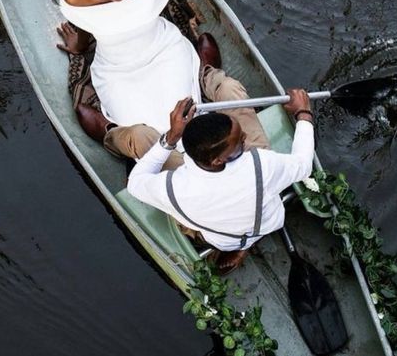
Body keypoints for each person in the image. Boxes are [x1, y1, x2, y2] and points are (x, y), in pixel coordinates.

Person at [52, 0, 263, 168]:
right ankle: (179, 163)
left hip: (163, 49)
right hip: (118, 68)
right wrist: (79, 47)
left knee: (182, 103)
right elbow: (84, 24)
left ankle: (203, 75)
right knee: (142, 121)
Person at [127, 90, 315, 274]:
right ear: (217, 160)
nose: (246, 138)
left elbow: (135, 182)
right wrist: (303, 113)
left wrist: (171, 138)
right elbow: (304, 165)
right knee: (229, 89)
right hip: (265, 224)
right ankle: (246, 245)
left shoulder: (173, 188)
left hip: (222, 240)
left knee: (138, 136)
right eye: (240, 143)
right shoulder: (263, 164)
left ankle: (108, 130)